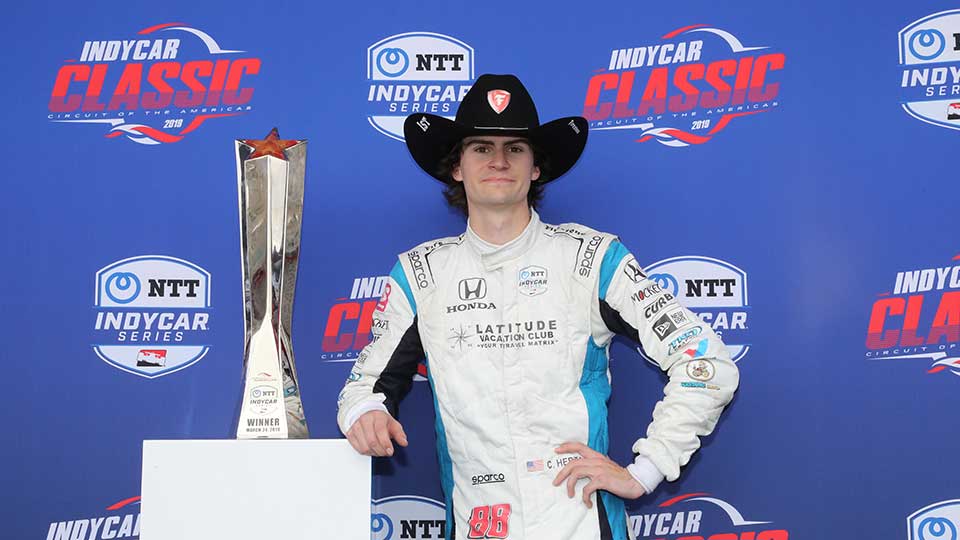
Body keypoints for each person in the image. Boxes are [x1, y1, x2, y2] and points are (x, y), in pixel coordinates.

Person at [336, 74, 739, 540]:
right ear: (457, 167)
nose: (499, 160)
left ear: (535, 168)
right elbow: (363, 388)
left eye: (516, 148)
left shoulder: (591, 259)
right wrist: (364, 413)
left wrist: (647, 470)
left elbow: (706, 364)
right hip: (476, 525)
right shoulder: (421, 274)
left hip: (581, 524)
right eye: (481, 148)